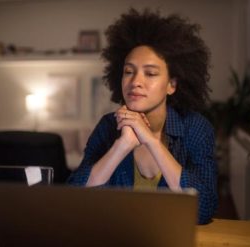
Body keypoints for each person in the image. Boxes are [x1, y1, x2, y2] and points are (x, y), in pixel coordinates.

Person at [67, 8, 218, 224]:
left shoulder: (194, 127)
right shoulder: (109, 126)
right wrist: (122, 145)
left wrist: (152, 141)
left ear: (171, 85)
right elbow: (73, 198)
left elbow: (203, 210)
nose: (136, 81)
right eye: (129, 71)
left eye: (150, 73)